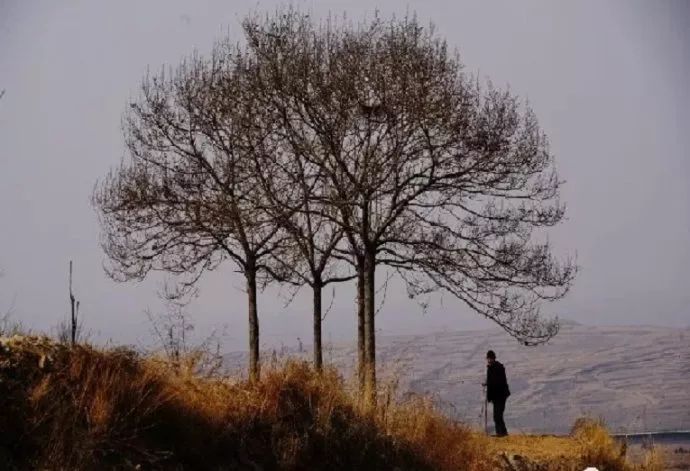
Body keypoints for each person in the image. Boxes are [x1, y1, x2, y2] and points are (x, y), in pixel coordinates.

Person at [485, 350, 510, 436]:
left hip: (500, 395)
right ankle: (502, 433)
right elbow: (493, 381)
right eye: (488, 358)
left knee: (497, 415)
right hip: (499, 395)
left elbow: (497, 382)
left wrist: (489, 385)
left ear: (493, 358)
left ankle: (501, 433)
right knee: (498, 415)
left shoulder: (496, 367)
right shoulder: (493, 367)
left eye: (490, 358)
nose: (489, 360)